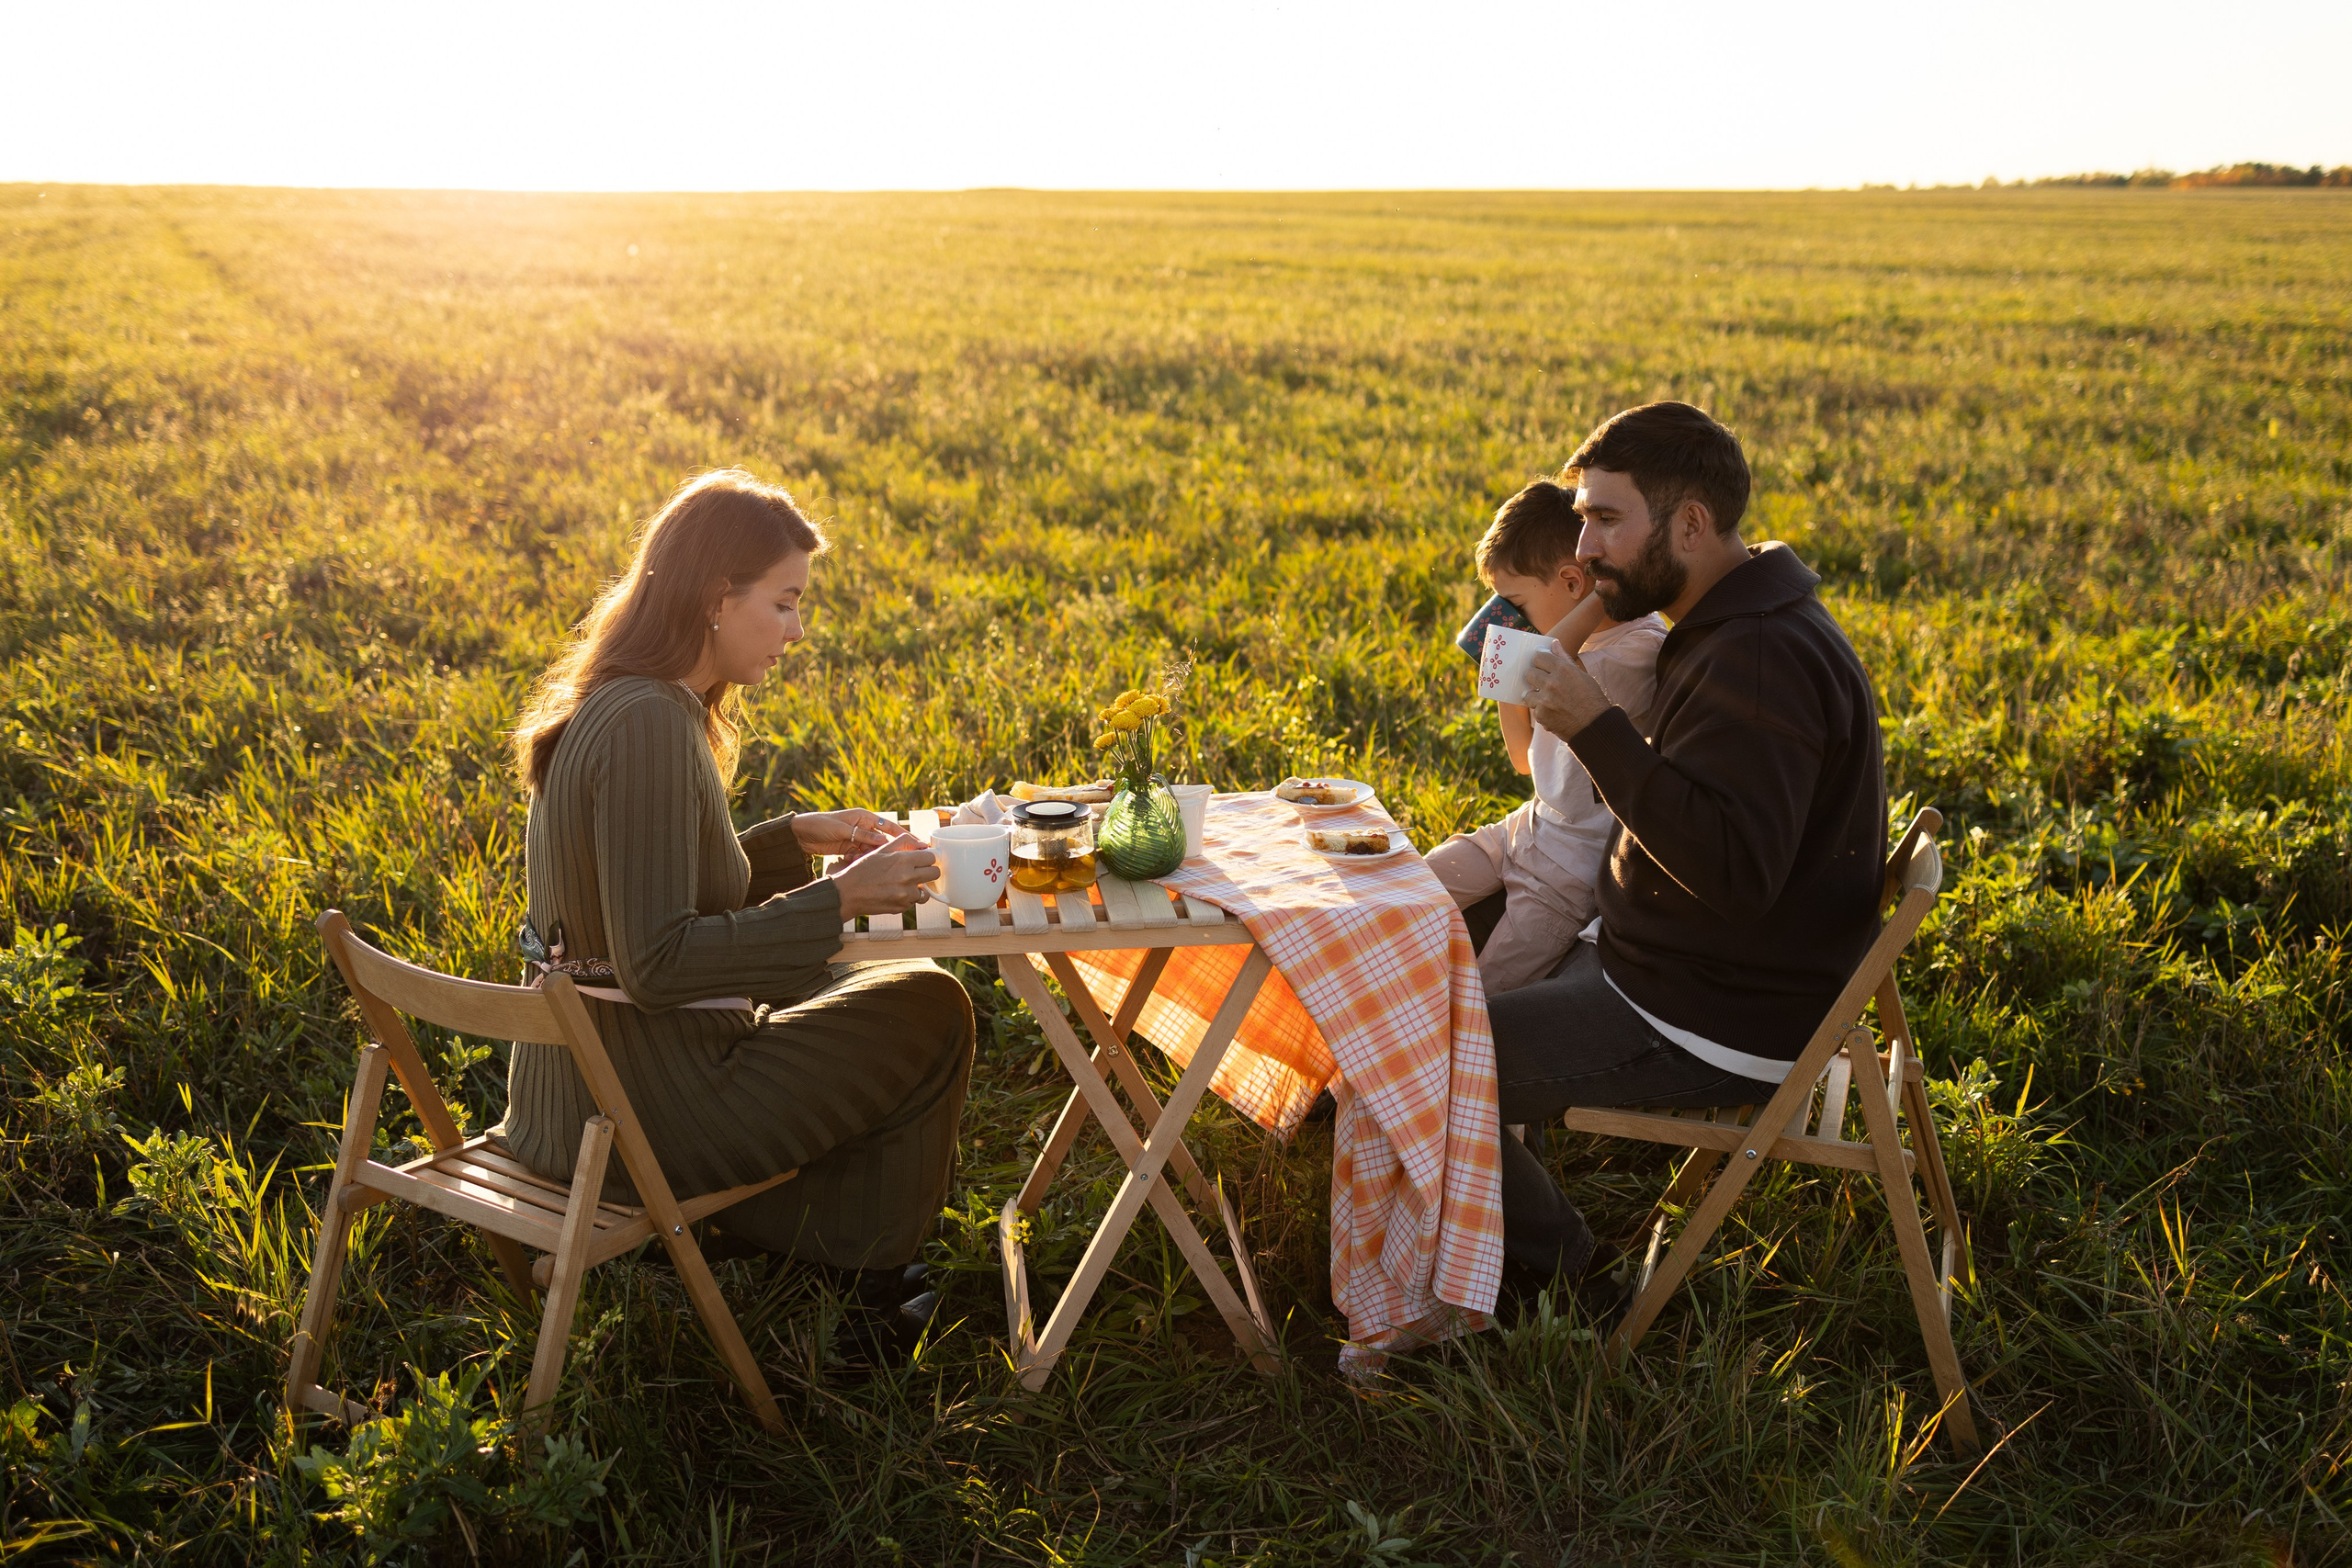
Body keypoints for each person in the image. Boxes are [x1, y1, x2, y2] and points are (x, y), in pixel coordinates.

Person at [501, 468, 968, 1348]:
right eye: (785, 602)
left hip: (572, 1099)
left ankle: (808, 1241)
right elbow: (656, 959)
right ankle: (855, 1286)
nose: (797, 630)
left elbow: (649, 892)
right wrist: (835, 903)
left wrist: (794, 840)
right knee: (928, 1006)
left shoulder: (624, 702)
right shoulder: (648, 723)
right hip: (639, 1110)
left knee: (874, 977)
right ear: (719, 598)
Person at [1492, 402, 1888, 1304]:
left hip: (1708, 1013)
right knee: (1419, 942)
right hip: (1662, 961)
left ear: (1692, 524)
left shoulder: (1757, 656)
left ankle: (1563, 1283)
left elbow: (1732, 876)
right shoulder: (1731, 616)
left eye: (1605, 519)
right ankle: (1495, 1182)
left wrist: (1592, 726)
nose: (1582, 547)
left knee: (1415, 1058)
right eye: (1582, 515)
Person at [1426, 481, 1668, 993]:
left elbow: (1549, 661)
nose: (1508, 616)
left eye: (1514, 602)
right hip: (1524, 830)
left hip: (1566, 873)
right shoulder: (1563, 650)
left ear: (1572, 582)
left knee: (1485, 993)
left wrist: (1522, 658)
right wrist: (1507, 685)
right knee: (1411, 888)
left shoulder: (1633, 653)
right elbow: (1523, 761)